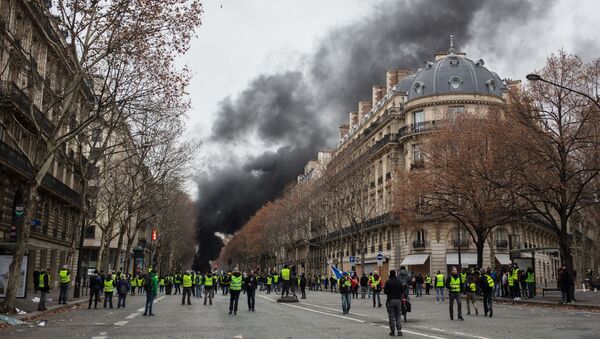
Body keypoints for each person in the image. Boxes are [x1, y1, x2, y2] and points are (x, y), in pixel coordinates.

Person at [384, 270, 405, 337]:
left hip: (390, 300)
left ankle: (392, 331)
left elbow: (385, 291)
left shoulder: (388, 282)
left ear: (389, 274)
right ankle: (399, 331)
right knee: (398, 315)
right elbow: (402, 291)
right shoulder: (399, 282)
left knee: (391, 316)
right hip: (398, 300)